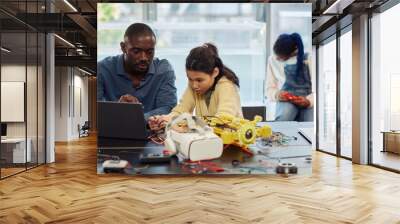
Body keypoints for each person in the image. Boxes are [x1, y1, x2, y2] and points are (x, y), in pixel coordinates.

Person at [148, 43, 243, 130]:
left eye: (199, 80)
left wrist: (183, 122)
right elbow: (182, 110)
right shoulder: (194, 85)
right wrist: (165, 119)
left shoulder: (226, 86)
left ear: (215, 72)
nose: (194, 85)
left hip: (231, 145)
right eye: (190, 79)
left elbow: (222, 120)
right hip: (208, 141)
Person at [97, 23, 177, 120]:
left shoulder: (164, 70)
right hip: (111, 131)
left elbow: (168, 108)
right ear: (123, 48)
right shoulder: (103, 69)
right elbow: (94, 110)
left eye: (149, 52)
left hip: (152, 132)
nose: (144, 58)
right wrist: (117, 108)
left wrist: (137, 117)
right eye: (136, 51)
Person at [265, 33, 314, 121]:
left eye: (280, 58)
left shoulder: (309, 58)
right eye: (276, 56)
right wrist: (277, 94)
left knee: (309, 122)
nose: (277, 59)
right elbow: (269, 89)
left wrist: (309, 101)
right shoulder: (272, 60)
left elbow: (320, 90)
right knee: (286, 114)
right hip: (286, 99)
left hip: (307, 98)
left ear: (293, 52)